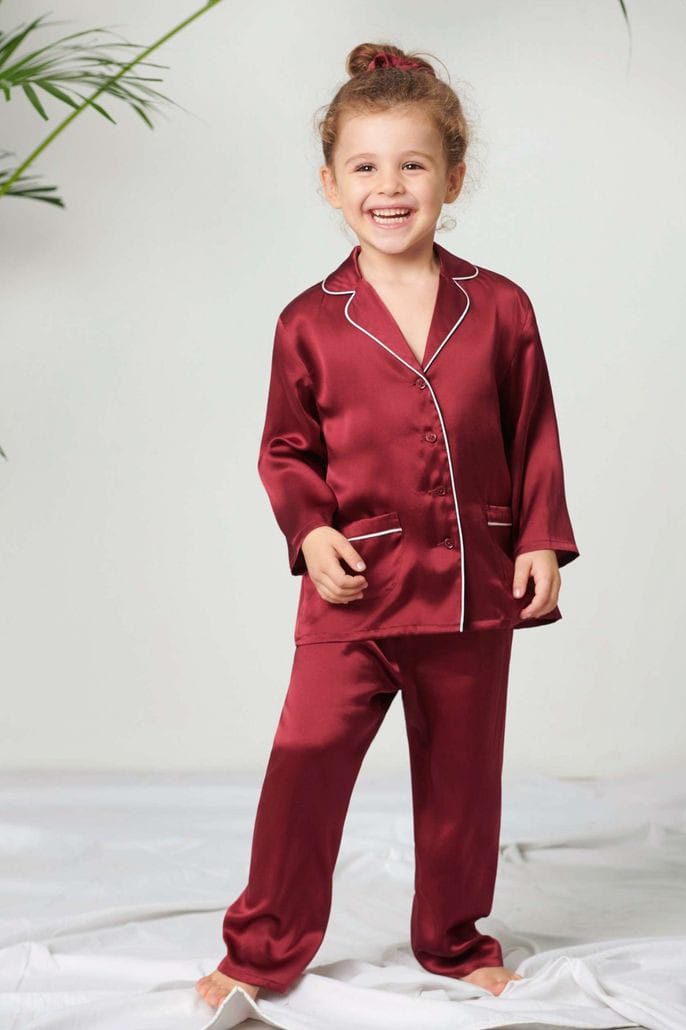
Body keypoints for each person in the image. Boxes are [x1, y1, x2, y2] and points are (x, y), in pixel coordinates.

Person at [196, 40, 580, 1011]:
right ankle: (262, 948)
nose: (390, 186)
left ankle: (454, 939)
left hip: (470, 585)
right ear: (329, 184)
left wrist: (539, 538)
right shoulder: (308, 321)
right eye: (365, 166)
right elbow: (285, 449)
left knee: (462, 781)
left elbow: (532, 429)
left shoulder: (499, 307)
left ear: (453, 175)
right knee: (305, 764)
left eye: (413, 163)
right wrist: (309, 531)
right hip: (354, 587)